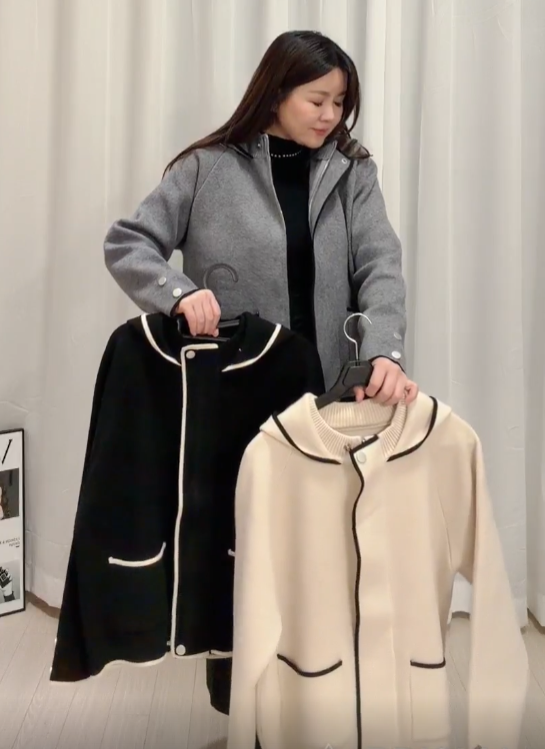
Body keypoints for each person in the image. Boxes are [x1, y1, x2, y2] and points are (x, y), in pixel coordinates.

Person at [104, 29, 418, 405]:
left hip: (332, 395)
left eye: (339, 102)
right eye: (317, 101)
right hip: (231, 395)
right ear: (276, 95)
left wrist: (384, 352)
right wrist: (179, 295)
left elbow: (380, 267)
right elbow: (128, 243)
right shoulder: (206, 169)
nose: (331, 115)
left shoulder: (352, 173)